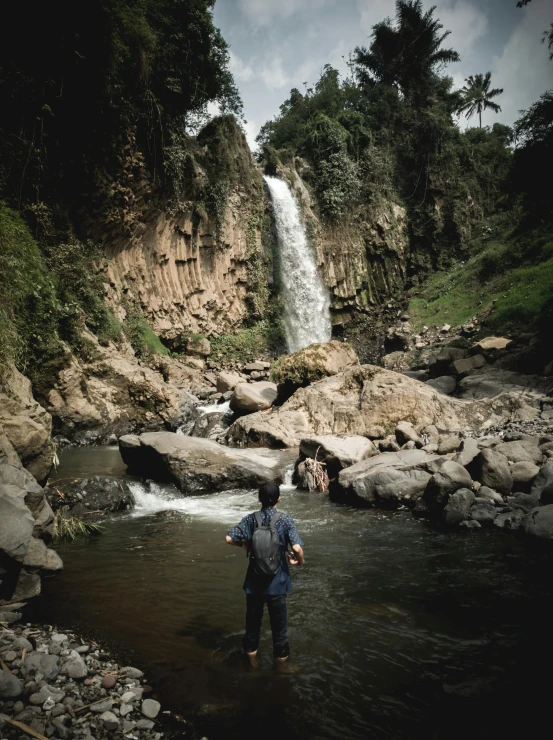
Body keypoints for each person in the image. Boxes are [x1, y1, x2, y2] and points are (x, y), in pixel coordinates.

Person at [226, 481, 304, 665]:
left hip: (254, 584)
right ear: (279, 499)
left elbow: (229, 538)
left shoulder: (251, 519)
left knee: (252, 628)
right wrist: (300, 561)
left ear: (259, 499)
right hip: (278, 584)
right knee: (280, 631)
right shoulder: (285, 520)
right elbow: (297, 547)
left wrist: (244, 544)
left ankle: (252, 666)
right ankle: (281, 670)